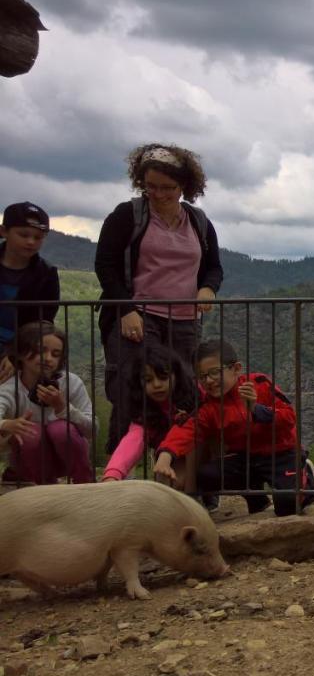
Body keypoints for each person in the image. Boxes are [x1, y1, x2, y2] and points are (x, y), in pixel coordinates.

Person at [95, 144, 222, 451]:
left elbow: (214, 267)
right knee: (130, 392)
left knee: (184, 396)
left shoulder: (198, 222)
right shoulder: (128, 216)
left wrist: (207, 288)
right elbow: (105, 264)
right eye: (151, 186)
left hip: (185, 323)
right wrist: (126, 309)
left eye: (169, 188)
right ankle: (118, 480)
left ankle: (183, 479)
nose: (159, 194)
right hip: (138, 317)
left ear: (185, 187)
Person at [153, 340, 314, 516]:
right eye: (202, 376)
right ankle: (257, 498)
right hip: (246, 458)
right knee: (206, 474)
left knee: (287, 506)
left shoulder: (259, 384)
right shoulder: (208, 408)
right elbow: (186, 430)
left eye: (215, 372)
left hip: (281, 454)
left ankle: (305, 478)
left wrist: (256, 409)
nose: (209, 381)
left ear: (236, 368)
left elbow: (289, 417)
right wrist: (165, 455)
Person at [0, 321, 94, 484]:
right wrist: (6, 424)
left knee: (60, 429)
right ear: (21, 353)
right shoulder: (10, 388)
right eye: (40, 350)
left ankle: (85, 483)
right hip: (29, 461)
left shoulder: (71, 382)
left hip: (70, 456)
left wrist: (63, 408)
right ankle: (45, 488)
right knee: (30, 433)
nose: (48, 358)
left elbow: (92, 429)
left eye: (56, 354)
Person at [101, 344, 200, 490]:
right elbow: (133, 439)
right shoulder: (144, 409)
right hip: (169, 458)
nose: (157, 385)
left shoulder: (195, 395)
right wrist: (113, 474)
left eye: (163, 377)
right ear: (139, 382)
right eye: (148, 380)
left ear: (176, 375)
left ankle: (197, 495)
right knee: (168, 484)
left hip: (201, 455)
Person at [0, 202, 59, 384]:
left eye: (38, 237)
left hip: (22, 351)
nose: (31, 242)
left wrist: (13, 355)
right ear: (4, 231)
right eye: (23, 235)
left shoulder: (46, 274)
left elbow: (43, 324)